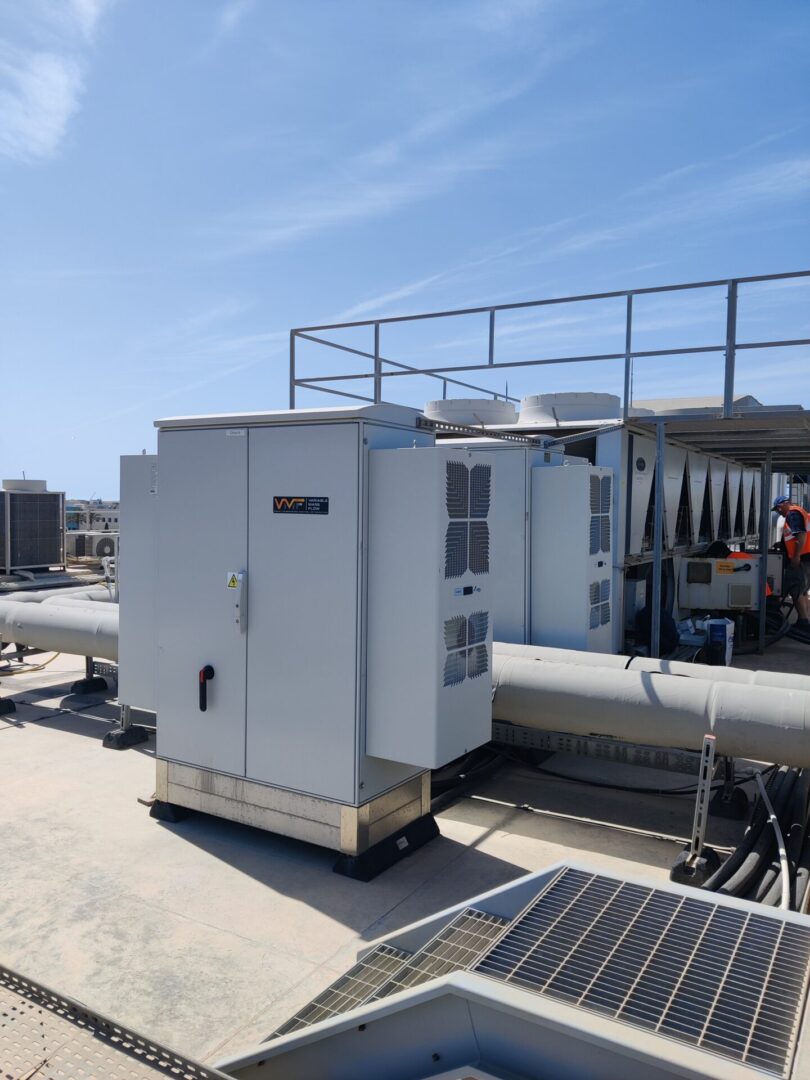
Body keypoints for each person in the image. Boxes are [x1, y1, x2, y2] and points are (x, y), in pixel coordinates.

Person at [773, 495, 810, 627]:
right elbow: (793, 537)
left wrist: (796, 556)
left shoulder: (793, 513)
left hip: (801, 558)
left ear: (782, 505)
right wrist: (781, 544)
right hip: (806, 557)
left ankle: (804, 621)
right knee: (803, 590)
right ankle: (803, 620)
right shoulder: (799, 511)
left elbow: (801, 533)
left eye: (778, 510)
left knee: (795, 588)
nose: (779, 513)